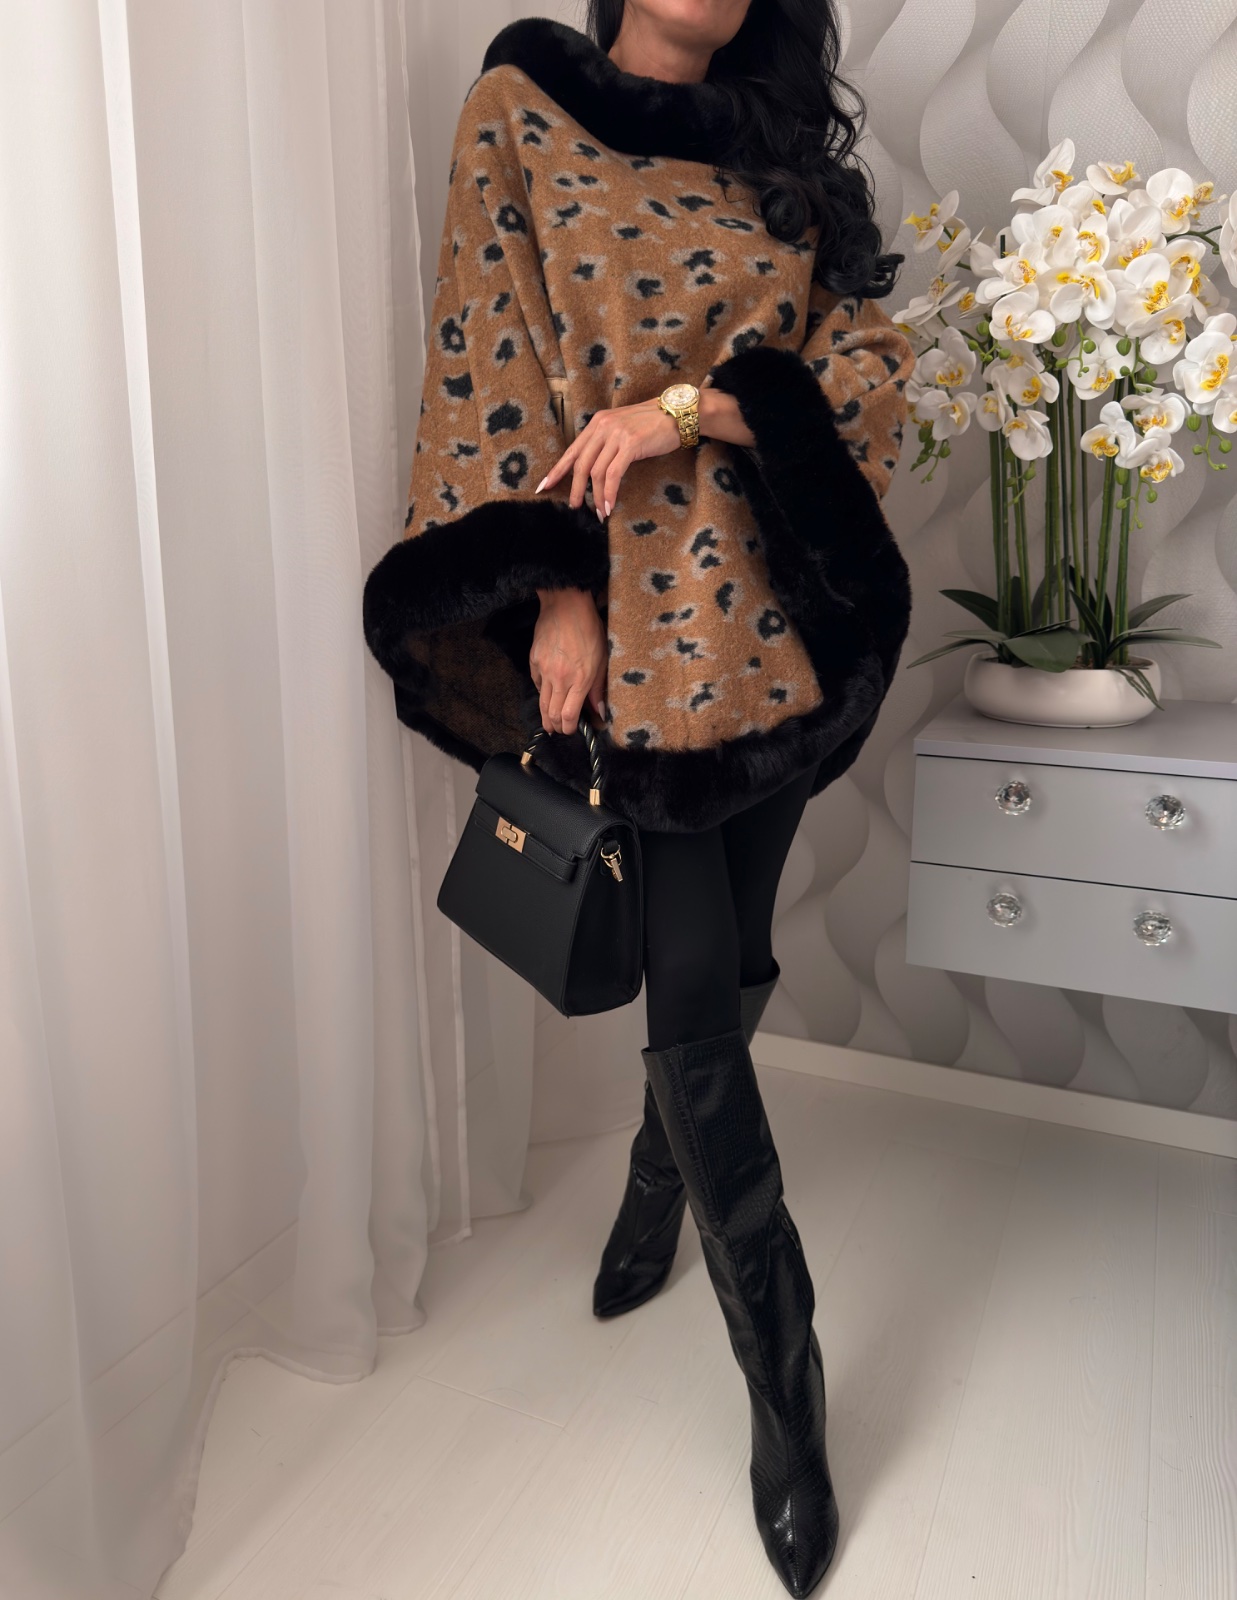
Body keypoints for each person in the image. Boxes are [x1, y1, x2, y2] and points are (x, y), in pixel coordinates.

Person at [363, 4, 913, 1593]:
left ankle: (654, 1185)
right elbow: (488, 359)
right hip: (636, 635)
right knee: (687, 993)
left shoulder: (776, 154)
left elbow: (867, 372)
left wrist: (687, 409)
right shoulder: (524, 107)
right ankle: (786, 1386)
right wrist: (557, 591)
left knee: (737, 953)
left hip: (784, 627)